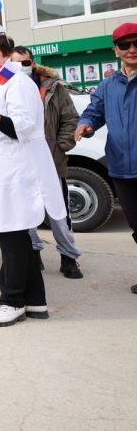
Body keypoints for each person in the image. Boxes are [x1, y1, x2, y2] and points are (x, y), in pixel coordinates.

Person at [0, 32, 64, 326]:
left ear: (7, 55)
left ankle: (12, 300)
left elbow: (23, 125)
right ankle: (35, 299)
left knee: (12, 239)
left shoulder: (18, 82)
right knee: (15, 237)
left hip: (13, 173)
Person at [11, 46, 84, 278]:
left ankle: (68, 257)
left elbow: (70, 118)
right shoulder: (5, 86)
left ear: (33, 63)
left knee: (59, 213)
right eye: (14, 63)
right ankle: (34, 255)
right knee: (27, 213)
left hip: (51, 160)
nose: (20, 67)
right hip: (21, 163)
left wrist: (60, 147)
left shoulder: (53, 86)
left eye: (25, 63)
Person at [77, 22, 137, 294]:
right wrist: (86, 125)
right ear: (116, 50)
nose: (131, 49)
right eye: (125, 45)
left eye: (136, 43)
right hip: (122, 168)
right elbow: (94, 112)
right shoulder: (107, 85)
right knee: (136, 226)